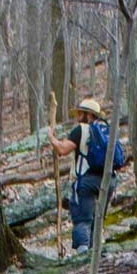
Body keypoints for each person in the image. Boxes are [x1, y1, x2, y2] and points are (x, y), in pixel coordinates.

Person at [46, 97, 113, 254]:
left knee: (83, 219)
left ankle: (82, 257)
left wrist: (51, 137)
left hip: (86, 182)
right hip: (109, 181)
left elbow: (62, 149)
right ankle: (96, 253)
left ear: (88, 115)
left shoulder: (81, 130)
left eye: (80, 114)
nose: (77, 117)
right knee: (98, 219)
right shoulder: (107, 129)